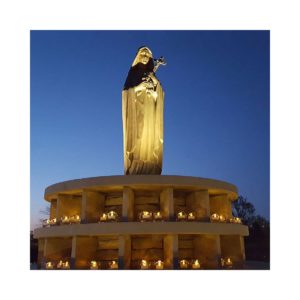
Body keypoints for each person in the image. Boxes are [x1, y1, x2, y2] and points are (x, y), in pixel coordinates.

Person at [122, 46, 165, 175]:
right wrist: (140, 87)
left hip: (151, 109)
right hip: (138, 111)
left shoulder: (153, 75)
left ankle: (151, 166)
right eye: (143, 54)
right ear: (138, 56)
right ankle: (137, 166)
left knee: (151, 136)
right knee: (140, 137)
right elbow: (126, 92)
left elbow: (161, 92)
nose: (145, 57)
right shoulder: (133, 74)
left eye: (148, 55)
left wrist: (155, 83)